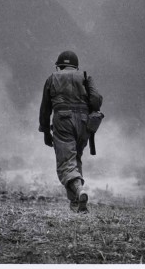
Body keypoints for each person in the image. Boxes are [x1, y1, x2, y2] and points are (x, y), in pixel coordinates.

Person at [39, 51, 103, 213]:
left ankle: (79, 192)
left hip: (63, 120)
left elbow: (45, 110)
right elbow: (96, 101)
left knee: (66, 163)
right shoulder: (85, 77)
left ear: (59, 65)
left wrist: (46, 132)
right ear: (76, 65)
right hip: (83, 123)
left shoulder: (52, 78)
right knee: (75, 159)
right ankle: (77, 204)